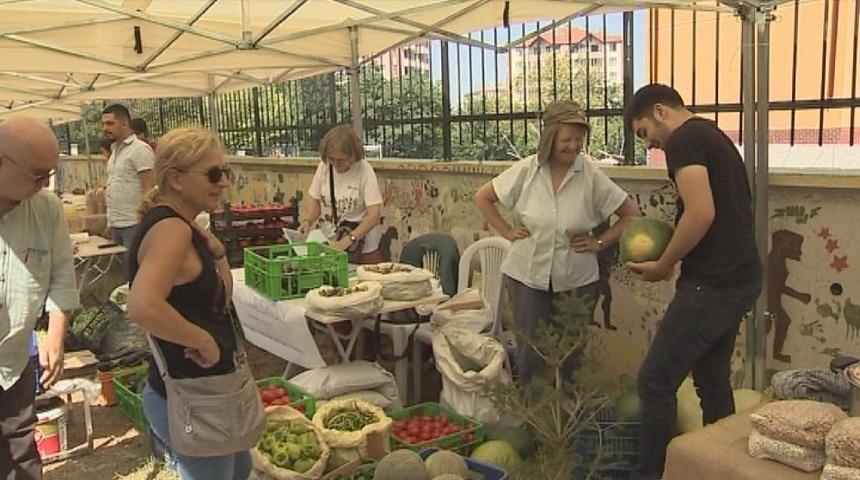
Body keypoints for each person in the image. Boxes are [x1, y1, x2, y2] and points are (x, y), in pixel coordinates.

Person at [623, 84, 762, 480]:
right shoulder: (711, 134)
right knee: (712, 379)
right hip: (740, 277)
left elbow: (700, 213)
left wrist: (664, 264)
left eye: (643, 132)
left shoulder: (683, 141)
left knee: (654, 382)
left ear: (660, 112)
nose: (649, 142)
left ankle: (653, 475)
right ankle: (719, 468)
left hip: (713, 283)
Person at [474, 100, 640, 386]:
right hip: (527, 274)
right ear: (550, 137)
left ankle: (568, 420)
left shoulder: (590, 175)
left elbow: (630, 215)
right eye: (567, 139)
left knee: (572, 355)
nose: (574, 146)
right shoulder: (527, 170)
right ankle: (535, 420)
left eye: (579, 140)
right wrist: (504, 230)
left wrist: (599, 241)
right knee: (531, 354)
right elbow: (483, 197)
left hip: (576, 277)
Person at [126, 127, 249, 480]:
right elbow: (142, 306)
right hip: (190, 398)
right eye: (213, 174)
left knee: (241, 469)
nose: (223, 182)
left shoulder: (184, 227)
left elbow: (219, 300)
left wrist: (217, 251)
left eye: (225, 173)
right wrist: (203, 341)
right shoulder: (172, 230)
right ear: (176, 179)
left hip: (210, 393)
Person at [0, 117, 80, 479]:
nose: (45, 183)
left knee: (21, 452)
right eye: (37, 174)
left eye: (49, 173)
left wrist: (56, 333)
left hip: (13, 363)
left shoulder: (46, 209)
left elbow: (62, 272)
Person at [299, 124, 383, 264]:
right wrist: (308, 221)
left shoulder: (364, 170)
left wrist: (349, 239)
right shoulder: (324, 167)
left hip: (361, 247)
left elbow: (374, 216)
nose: (336, 164)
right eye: (332, 159)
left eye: (341, 160)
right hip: (331, 243)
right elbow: (316, 200)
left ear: (353, 155)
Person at [101, 104, 155, 248]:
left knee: (135, 268)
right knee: (120, 270)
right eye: (104, 124)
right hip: (116, 223)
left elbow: (150, 188)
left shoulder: (140, 149)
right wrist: (110, 222)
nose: (105, 128)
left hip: (134, 224)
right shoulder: (114, 151)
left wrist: (145, 221)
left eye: (110, 123)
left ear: (125, 123)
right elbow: (114, 186)